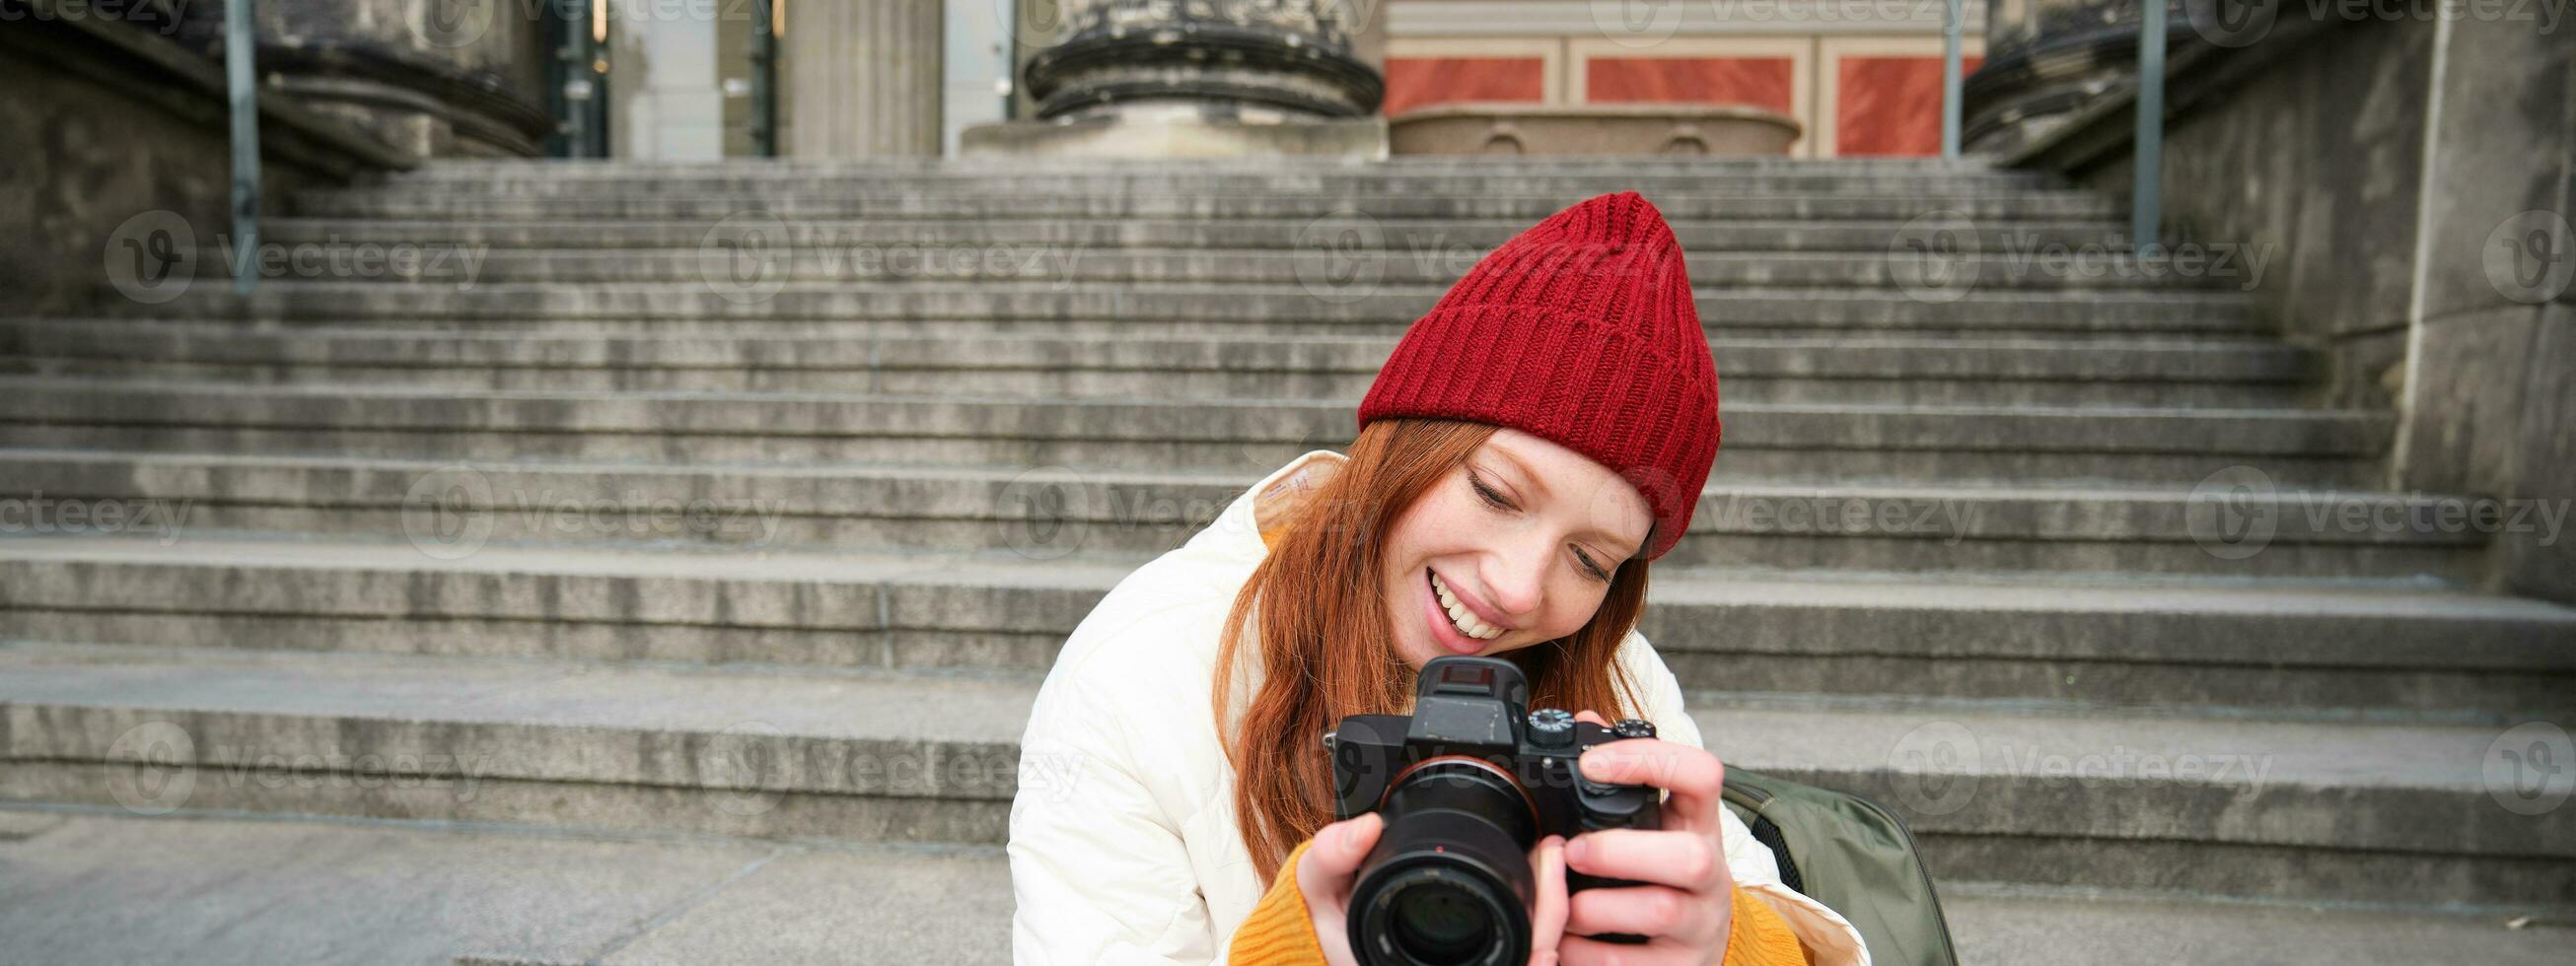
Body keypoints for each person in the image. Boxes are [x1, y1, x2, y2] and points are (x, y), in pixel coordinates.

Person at [1009, 192, 1870, 965]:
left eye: (1590, 560)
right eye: (1495, 493)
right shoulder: (1138, 676)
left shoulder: (1615, 671)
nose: (1521, 591)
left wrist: (1728, 943)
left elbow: (1759, 910)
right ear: (1401, 448)